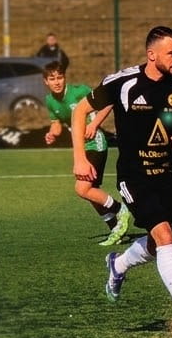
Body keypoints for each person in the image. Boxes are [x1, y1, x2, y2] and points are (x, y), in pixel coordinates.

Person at [72, 26, 172, 338]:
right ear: (152, 54)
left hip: (167, 177)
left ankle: (118, 264)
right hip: (134, 176)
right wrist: (80, 159)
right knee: (165, 236)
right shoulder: (123, 82)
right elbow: (81, 111)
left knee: (157, 244)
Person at [43, 61, 132, 246]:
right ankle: (116, 229)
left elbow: (108, 102)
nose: (57, 82)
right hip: (81, 148)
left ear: (65, 78)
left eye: (60, 77)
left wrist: (94, 124)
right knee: (91, 193)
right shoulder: (50, 101)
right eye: (52, 79)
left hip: (95, 143)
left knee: (82, 188)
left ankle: (121, 209)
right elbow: (57, 124)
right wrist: (52, 134)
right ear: (46, 81)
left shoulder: (79, 91)